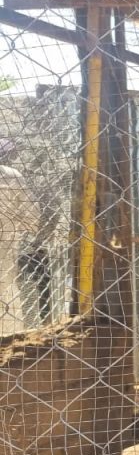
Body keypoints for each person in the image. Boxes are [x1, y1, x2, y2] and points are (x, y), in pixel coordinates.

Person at [0, 139, 43, 335]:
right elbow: (33, 216)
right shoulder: (12, 176)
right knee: (6, 294)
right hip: (5, 247)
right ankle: (9, 342)